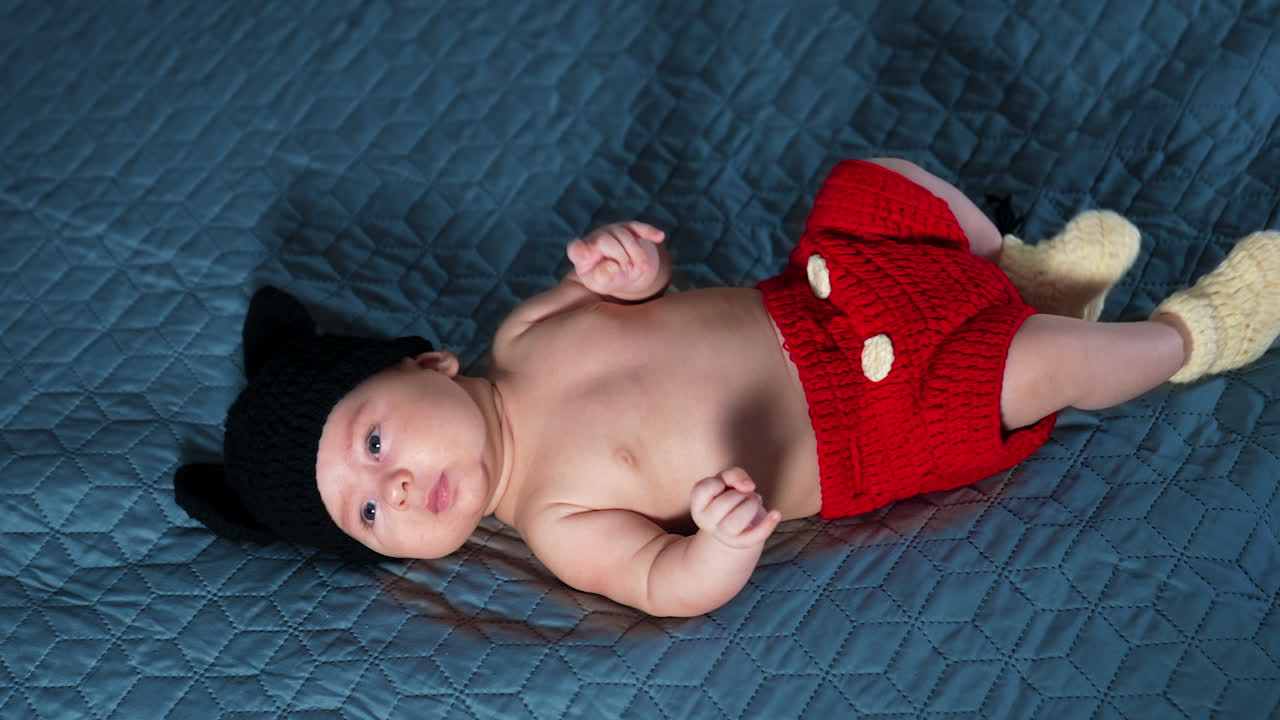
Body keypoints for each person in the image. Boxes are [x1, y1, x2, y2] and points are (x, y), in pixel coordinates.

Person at [175, 158, 1280, 617]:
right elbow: (662, 584)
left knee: (873, 183)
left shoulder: (524, 331)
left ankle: (1019, 269)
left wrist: (626, 268)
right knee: (1034, 371)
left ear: (427, 364)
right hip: (869, 421)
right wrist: (717, 543)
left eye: (373, 443)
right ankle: (1186, 335)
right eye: (367, 516)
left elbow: (642, 290)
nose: (394, 489)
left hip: (820, 296)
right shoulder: (557, 520)